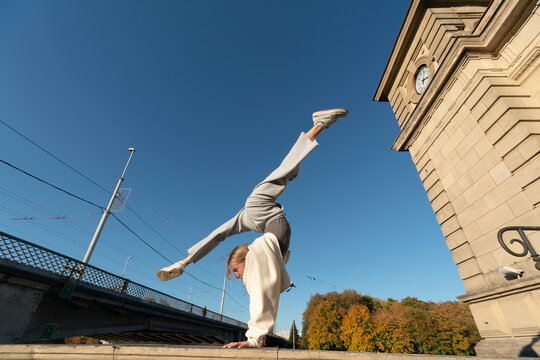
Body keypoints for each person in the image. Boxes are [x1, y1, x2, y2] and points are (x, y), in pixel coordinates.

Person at [156, 108, 349, 348]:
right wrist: (184, 263)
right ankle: (257, 334)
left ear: (243, 257)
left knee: (285, 171)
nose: (237, 276)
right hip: (276, 235)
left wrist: (185, 263)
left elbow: (286, 168)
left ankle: (320, 122)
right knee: (262, 281)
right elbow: (215, 236)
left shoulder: (254, 205)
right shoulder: (243, 219)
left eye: (236, 270)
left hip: (273, 233)